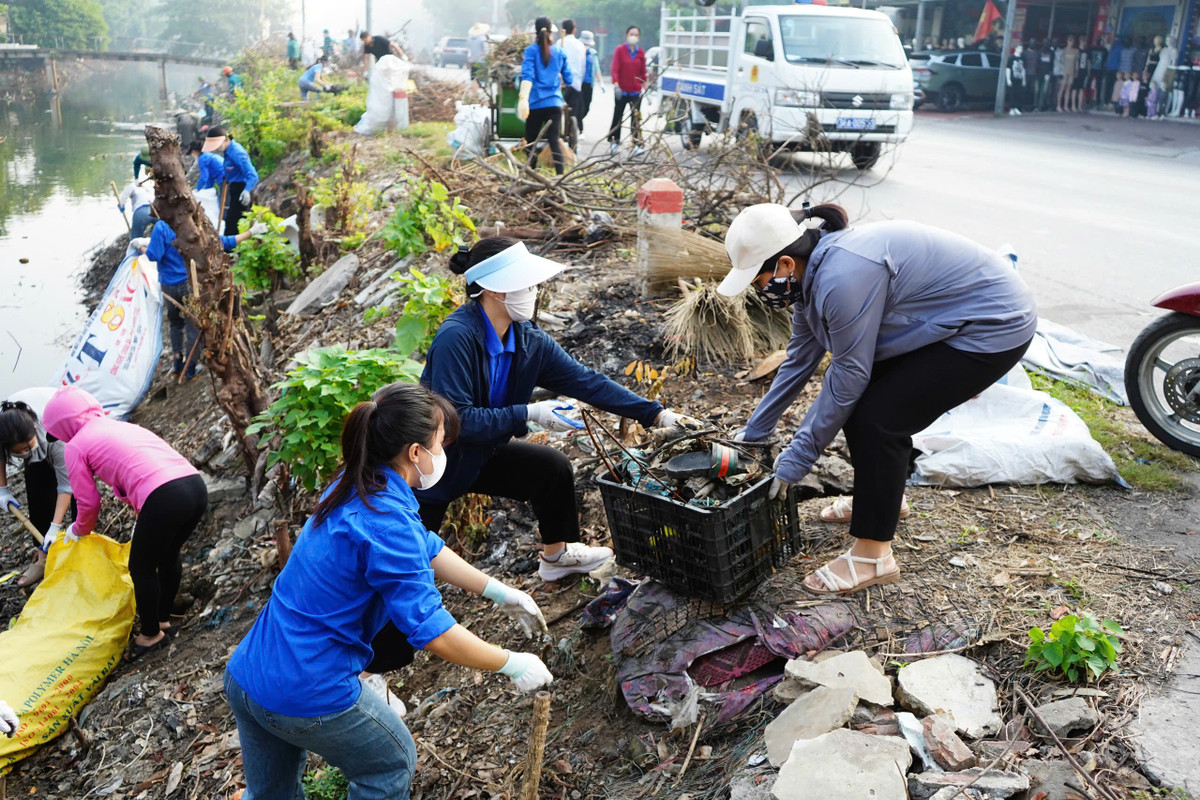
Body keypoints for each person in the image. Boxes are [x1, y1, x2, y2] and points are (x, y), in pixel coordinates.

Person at [224, 381, 553, 799]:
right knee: (390, 763)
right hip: (307, 687)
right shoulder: (386, 521)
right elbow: (432, 631)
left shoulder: (356, 483)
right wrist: (510, 663)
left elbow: (426, 546)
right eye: (440, 442)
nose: (443, 452)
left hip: (250, 673)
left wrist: (498, 591)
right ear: (415, 452)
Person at [717, 204, 1036, 596]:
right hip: (950, 318)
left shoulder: (842, 277)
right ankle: (882, 500)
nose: (759, 291)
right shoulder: (810, 280)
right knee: (865, 405)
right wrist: (752, 436)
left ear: (785, 264)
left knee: (878, 418)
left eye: (758, 280)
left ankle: (873, 556)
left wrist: (797, 459)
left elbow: (849, 374)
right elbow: (799, 359)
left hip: (993, 326)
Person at [413, 236, 695, 584]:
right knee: (408, 565)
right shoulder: (457, 338)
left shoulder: (527, 340)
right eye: (525, 283)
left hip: (479, 454)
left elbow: (586, 381)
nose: (532, 291)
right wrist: (528, 414)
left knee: (550, 469)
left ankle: (557, 557)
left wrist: (654, 414)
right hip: (430, 466)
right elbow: (457, 422)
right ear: (495, 290)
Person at [42, 386, 209, 661]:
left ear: (63, 426)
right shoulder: (119, 426)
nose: (60, 438)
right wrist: (140, 507)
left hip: (163, 496)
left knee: (140, 567)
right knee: (168, 556)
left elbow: (89, 502)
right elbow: (137, 467)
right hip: (194, 485)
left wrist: (78, 529)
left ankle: (150, 635)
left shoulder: (75, 446)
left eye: (57, 433)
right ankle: (162, 621)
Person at [138, 217, 267, 380]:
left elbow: (153, 255)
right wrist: (251, 232)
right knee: (193, 326)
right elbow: (223, 243)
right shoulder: (192, 225)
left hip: (168, 286)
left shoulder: (161, 227)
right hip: (189, 283)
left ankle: (177, 364)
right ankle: (190, 369)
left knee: (175, 324)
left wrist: (140, 247)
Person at [0, 388, 73, 588]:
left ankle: (82, 545)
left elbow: (66, 486)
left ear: (34, 430)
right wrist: (3, 489)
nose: (24, 452)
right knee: (37, 485)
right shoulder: (3, 430)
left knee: (79, 488)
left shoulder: (56, 435)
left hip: (66, 427)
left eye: (28, 447)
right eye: (18, 451)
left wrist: (55, 527)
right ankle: (42, 557)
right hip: (23, 430)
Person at [518, 17, 573, 176]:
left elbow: (527, 75)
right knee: (554, 140)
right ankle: (560, 176)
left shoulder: (530, 51)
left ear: (535, 31)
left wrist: (523, 97)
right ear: (551, 31)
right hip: (554, 104)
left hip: (535, 103)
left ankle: (531, 173)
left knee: (531, 141)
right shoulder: (560, 52)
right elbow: (569, 79)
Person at [202, 126, 259, 236]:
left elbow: (253, 175)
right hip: (233, 187)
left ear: (225, 139)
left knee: (233, 224)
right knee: (232, 221)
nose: (217, 148)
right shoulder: (227, 151)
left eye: (218, 145)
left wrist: (246, 191)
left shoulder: (237, 153)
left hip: (242, 190)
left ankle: (233, 245)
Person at [609, 25, 647, 156]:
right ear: (627, 35)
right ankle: (614, 141)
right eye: (631, 34)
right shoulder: (620, 50)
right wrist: (616, 85)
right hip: (622, 90)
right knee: (618, 116)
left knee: (635, 118)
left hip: (635, 91)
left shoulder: (640, 52)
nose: (633, 37)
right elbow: (615, 69)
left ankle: (636, 144)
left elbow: (643, 72)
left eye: (636, 35)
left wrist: (646, 88)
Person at [559, 19, 587, 135]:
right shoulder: (580, 45)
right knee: (573, 112)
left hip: (560, 84)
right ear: (574, 30)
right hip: (575, 83)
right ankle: (570, 131)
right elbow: (583, 66)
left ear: (563, 30)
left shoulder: (559, 43)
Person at [580, 30, 602, 123]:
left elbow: (596, 68)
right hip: (578, 84)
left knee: (586, 106)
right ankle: (578, 126)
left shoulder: (593, 53)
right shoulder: (577, 51)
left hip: (588, 84)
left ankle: (578, 122)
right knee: (578, 106)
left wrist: (601, 82)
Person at [1058, 36, 1078, 112]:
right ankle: (1058, 105)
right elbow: (1061, 62)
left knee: (1068, 89)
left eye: (1072, 41)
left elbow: (1076, 62)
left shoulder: (1075, 51)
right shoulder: (1064, 51)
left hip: (1071, 72)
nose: (1071, 42)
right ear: (1067, 41)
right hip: (1064, 72)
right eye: (1069, 40)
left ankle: (1066, 106)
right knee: (1062, 88)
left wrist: (1076, 71)